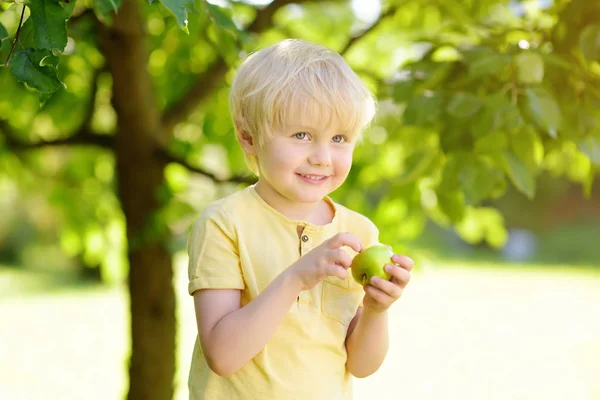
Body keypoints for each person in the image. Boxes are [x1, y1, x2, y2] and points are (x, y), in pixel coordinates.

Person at [186, 38, 414, 400]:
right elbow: (223, 355)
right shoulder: (225, 223)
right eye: (302, 135)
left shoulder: (358, 233)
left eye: (339, 138)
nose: (323, 157)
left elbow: (361, 365)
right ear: (248, 137)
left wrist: (376, 309)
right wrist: (295, 277)